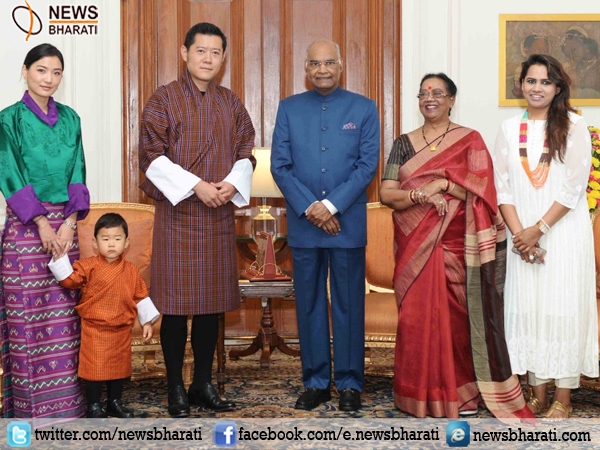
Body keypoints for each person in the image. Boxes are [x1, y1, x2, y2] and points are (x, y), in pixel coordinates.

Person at [380, 73, 534, 419]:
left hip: (455, 245)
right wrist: (419, 195)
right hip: (414, 245)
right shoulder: (403, 143)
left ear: (451, 100)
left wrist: (443, 184)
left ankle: (461, 396)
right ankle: (415, 396)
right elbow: (386, 193)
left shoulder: (470, 140)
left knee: (458, 320)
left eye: (437, 93)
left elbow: (483, 191)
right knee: (415, 320)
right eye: (423, 94)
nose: (429, 98)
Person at [139, 22, 255, 417]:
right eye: (200, 50)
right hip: (178, 213)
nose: (208, 58)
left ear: (223, 58)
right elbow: (151, 156)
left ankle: (202, 383)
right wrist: (196, 186)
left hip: (218, 212)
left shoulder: (231, 102)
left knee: (210, 305)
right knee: (174, 306)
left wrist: (229, 183)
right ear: (185, 53)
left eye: (215, 52)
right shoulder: (163, 99)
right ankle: (175, 386)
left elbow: (246, 150)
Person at [271, 38, 380, 412]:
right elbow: (280, 166)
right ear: (306, 67)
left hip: (346, 223)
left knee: (349, 305)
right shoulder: (289, 108)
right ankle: (315, 382)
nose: (322, 69)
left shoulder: (364, 108)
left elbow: (366, 165)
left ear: (341, 65)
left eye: (329, 62)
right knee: (309, 305)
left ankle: (349, 384)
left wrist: (331, 206)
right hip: (305, 225)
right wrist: (312, 208)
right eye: (315, 63)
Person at [492, 54, 598, 419]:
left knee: (562, 308)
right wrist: (521, 235)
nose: (537, 88)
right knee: (530, 309)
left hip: (563, 234)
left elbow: (573, 188)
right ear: (521, 85)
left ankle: (563, 398)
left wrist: (538, 230)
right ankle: (536, 394)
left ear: (557, 87)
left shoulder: (574, 125)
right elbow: (502, 188)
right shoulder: (509, 128)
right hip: (522, 237)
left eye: (545, 82)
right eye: (531, 81)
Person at [0, 44, 89, 418]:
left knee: (67, 317)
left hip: (66, 229)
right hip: (25, 232)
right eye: (40, 70)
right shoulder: (8, 119)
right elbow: (10, 174)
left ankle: (68, 409)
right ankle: (30, 413)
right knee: (27, 319)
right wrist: (40, 223)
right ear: (25, 71)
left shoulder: (71, 119)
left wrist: (68, 223)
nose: (48, 79)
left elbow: (78, 171)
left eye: (56, 72)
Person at [48, 213, 160, 418]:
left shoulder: (131, 270)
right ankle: (93, 405)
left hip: (121, 329)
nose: (111, 244)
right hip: (95, 329)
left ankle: (114, 402)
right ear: (95, 242)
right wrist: (59, 257)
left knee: (119, 368)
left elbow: (140, 295)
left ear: (126, 242)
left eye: (117, 239)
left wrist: (146, 322)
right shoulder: (88, 266)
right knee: (95, 369)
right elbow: (70, 280)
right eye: (105, 239)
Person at [512, 33, 550, 98]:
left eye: (545, 50)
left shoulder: (552, 69)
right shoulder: (521, 70)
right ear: (527, 50)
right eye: (537, 49)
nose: (542, 53)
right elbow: (518, 92)